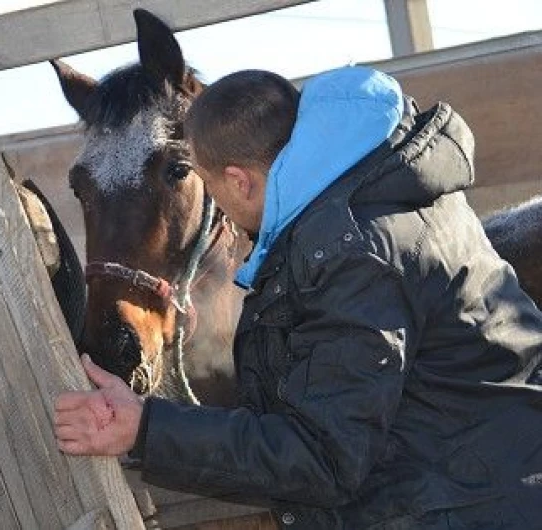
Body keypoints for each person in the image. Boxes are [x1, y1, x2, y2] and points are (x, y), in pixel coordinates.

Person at [54, 66, 542, 529]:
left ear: (240, 180)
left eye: (213, 191)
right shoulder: (390, 190)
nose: (220, 212)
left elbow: (325, 456)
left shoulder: (352, 256)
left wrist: (146, 429)